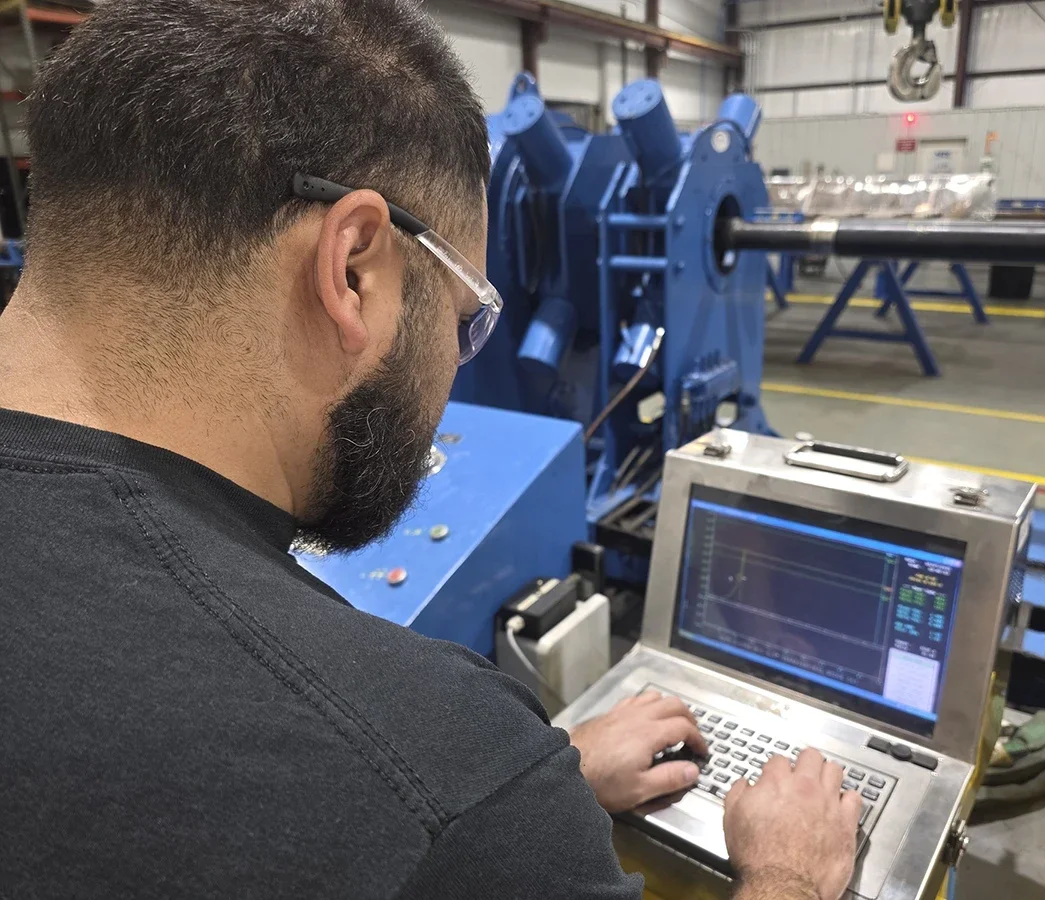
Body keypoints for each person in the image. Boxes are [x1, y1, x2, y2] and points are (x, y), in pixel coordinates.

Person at [0, 1, 859, 897]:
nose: (455, 365)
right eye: (464, 318)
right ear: (354, 270)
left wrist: (534, 778)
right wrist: (789, 874)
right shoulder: (429, 763)